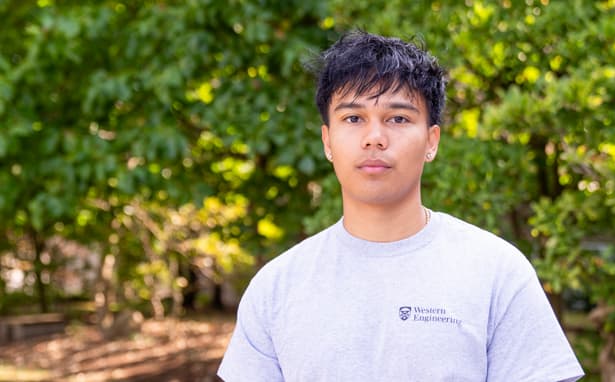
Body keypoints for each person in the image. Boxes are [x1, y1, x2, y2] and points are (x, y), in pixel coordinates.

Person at [218, 31, 584, 382]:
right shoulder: (277, 287)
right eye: (353, 118)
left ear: (432, 140)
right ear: (327, 141)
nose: (375, 138)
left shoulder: (498, 273)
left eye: (398, 118)